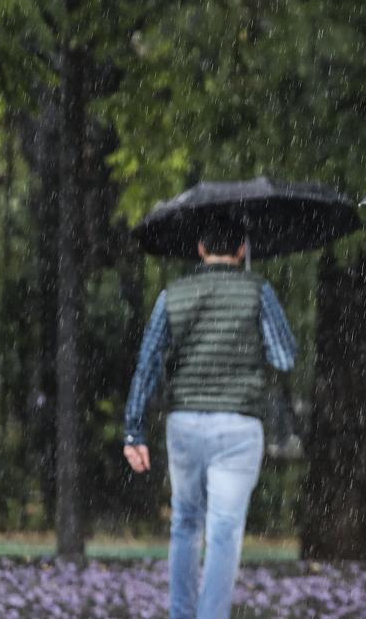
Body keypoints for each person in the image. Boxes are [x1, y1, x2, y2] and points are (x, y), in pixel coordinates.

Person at [122, 217, 297, 619]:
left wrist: (134, 431)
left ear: (200, 249)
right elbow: (284, 356)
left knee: (185, 523)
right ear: (241, 251)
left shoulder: (174, 294)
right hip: (238, 426)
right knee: (224, 530)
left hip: (184, 425)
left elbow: (148, 364)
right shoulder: (258, 290)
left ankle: (181, 614)